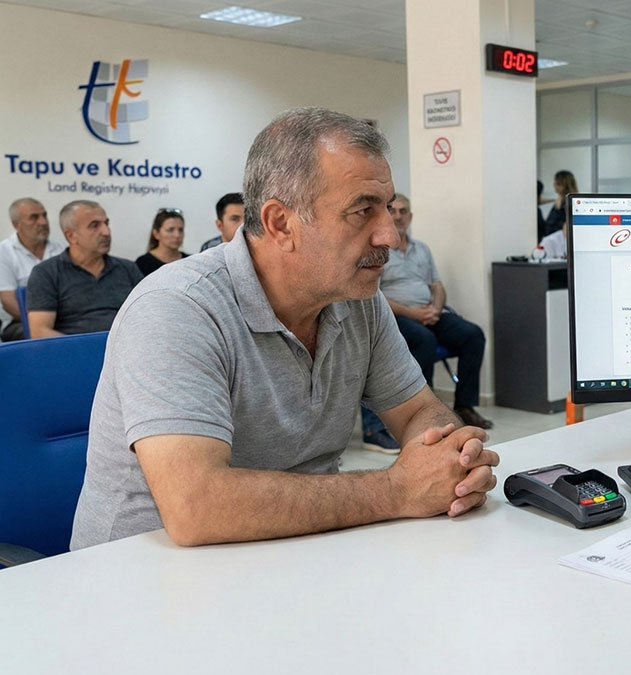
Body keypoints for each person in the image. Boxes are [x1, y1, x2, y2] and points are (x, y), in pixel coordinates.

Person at [70, 108, 499, 549]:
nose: (388, 235)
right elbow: (196, 506)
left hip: (297, 551)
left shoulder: (357, 299)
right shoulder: (176, 307)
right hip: (140, 585)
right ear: (281, 224)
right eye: (362, 211)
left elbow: (416, 411)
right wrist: (397, 489)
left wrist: (451, 456)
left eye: (388, 209)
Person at [359, 193, 492, 454]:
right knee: (424, 339)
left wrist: (436, 308)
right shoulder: (378, 249)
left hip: (431, 312)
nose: (397, 216)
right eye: (392, 210)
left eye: (403, 211)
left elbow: (437, 285)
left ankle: (464, 405)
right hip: (398, 316)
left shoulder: (422, 248)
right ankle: (421, 415)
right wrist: (412, 313)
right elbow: (376, 296)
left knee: (472, 334)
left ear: (410, 216)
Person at [25, 200, 142, 338]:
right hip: (74, 353)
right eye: (94, 226)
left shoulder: (128, 268)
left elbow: (150, 314)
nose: (106, 232)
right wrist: (88, 349)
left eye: (106, 223)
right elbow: (40, 332)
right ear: (71, 236)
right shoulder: (46, 273)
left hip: (127, 350)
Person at [0, 197, 65, 341]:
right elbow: (9, 302)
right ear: (16, 224)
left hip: (61, 317)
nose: (43, 222)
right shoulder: (3, 252)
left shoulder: (62, 249)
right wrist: (42, 319)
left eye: (44, 215)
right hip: (19, 321)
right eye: (34, 218)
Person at [136, 208, 188, 276]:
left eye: (180, 230)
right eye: (170, 230)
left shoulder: (189, 261)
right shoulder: (143, 263)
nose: (177, 235)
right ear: (156, 233)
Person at [543, 170, 577, 237]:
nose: (553, 184)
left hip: (560, 241)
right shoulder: (560, 200)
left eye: (556, 182)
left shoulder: (568, 203)